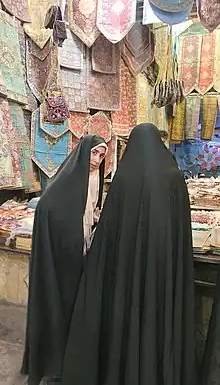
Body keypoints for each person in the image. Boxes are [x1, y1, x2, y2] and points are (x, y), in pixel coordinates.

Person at [61, 123, 196, 385]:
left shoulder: (124, 178)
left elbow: (108, 232)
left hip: (126, 271)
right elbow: (182, 230)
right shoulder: (174, 176)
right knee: (159, 318)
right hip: (163, 269)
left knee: (127, 314)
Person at [21, 135, 108, 385]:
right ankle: (52, 363)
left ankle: (66, 361)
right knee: (59, 304)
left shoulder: (94, 178)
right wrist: (70, 229)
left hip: (81, 249)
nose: (97, 160)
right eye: (94, 153)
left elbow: (89, 210)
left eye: (101, 156)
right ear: (83, 153)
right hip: (63, 254)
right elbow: (47, 206)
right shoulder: (70, 177)